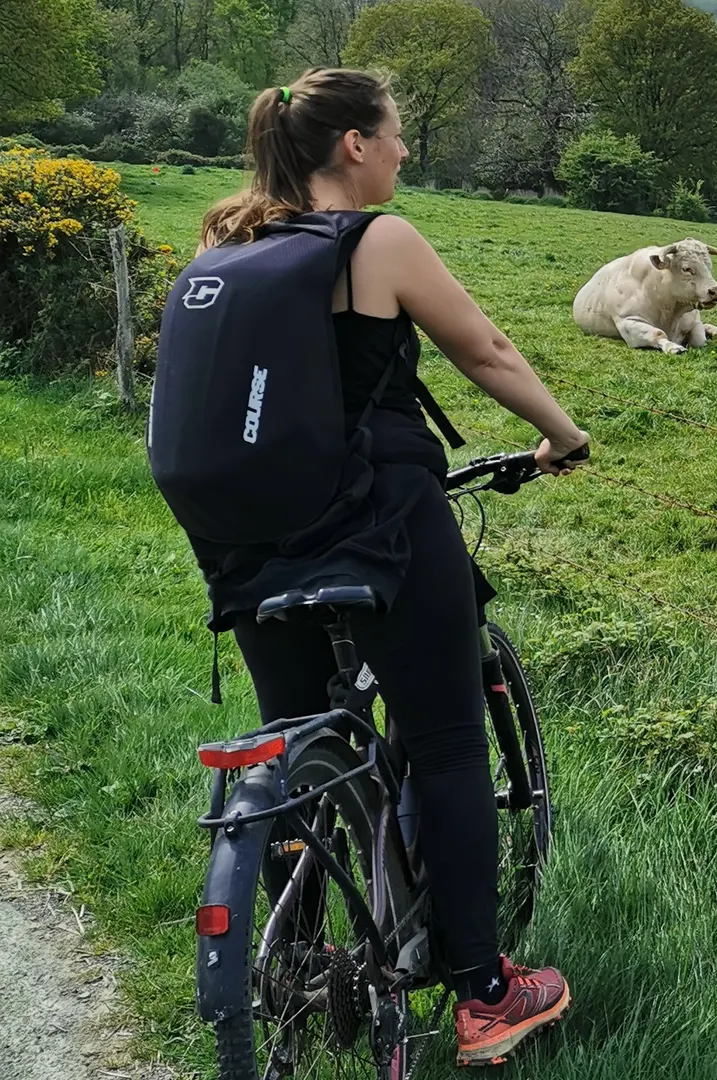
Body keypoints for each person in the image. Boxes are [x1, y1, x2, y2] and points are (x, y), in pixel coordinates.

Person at [187, 68, 584, 1067]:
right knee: (449, 744)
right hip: (379, 528)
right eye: (395, 134)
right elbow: (484, 350)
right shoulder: (376, 242)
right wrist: (563, 435)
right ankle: (488, 994)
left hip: (246, 539)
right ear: (353, 146)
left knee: (291, 747)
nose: (404, 151)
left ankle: (294, 964)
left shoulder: (226, 243)